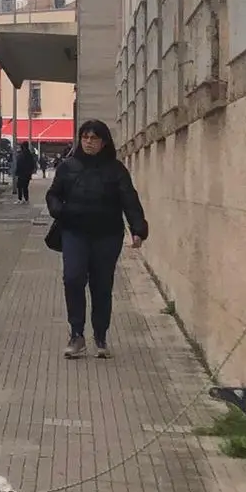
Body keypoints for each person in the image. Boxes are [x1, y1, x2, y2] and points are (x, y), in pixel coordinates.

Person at [46, 119, 148, 359]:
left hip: (107, 235)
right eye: (85, 137)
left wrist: (138, 229)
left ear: (104, 142)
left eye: (94, 138)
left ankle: (100, 335)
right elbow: (53, 194)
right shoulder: (67, 167)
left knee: (102, 285)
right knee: (72, 278)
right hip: (74, 232)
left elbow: (129, 201)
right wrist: (58, 210)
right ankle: (76, 334)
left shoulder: (116, 170)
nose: (89, 142)